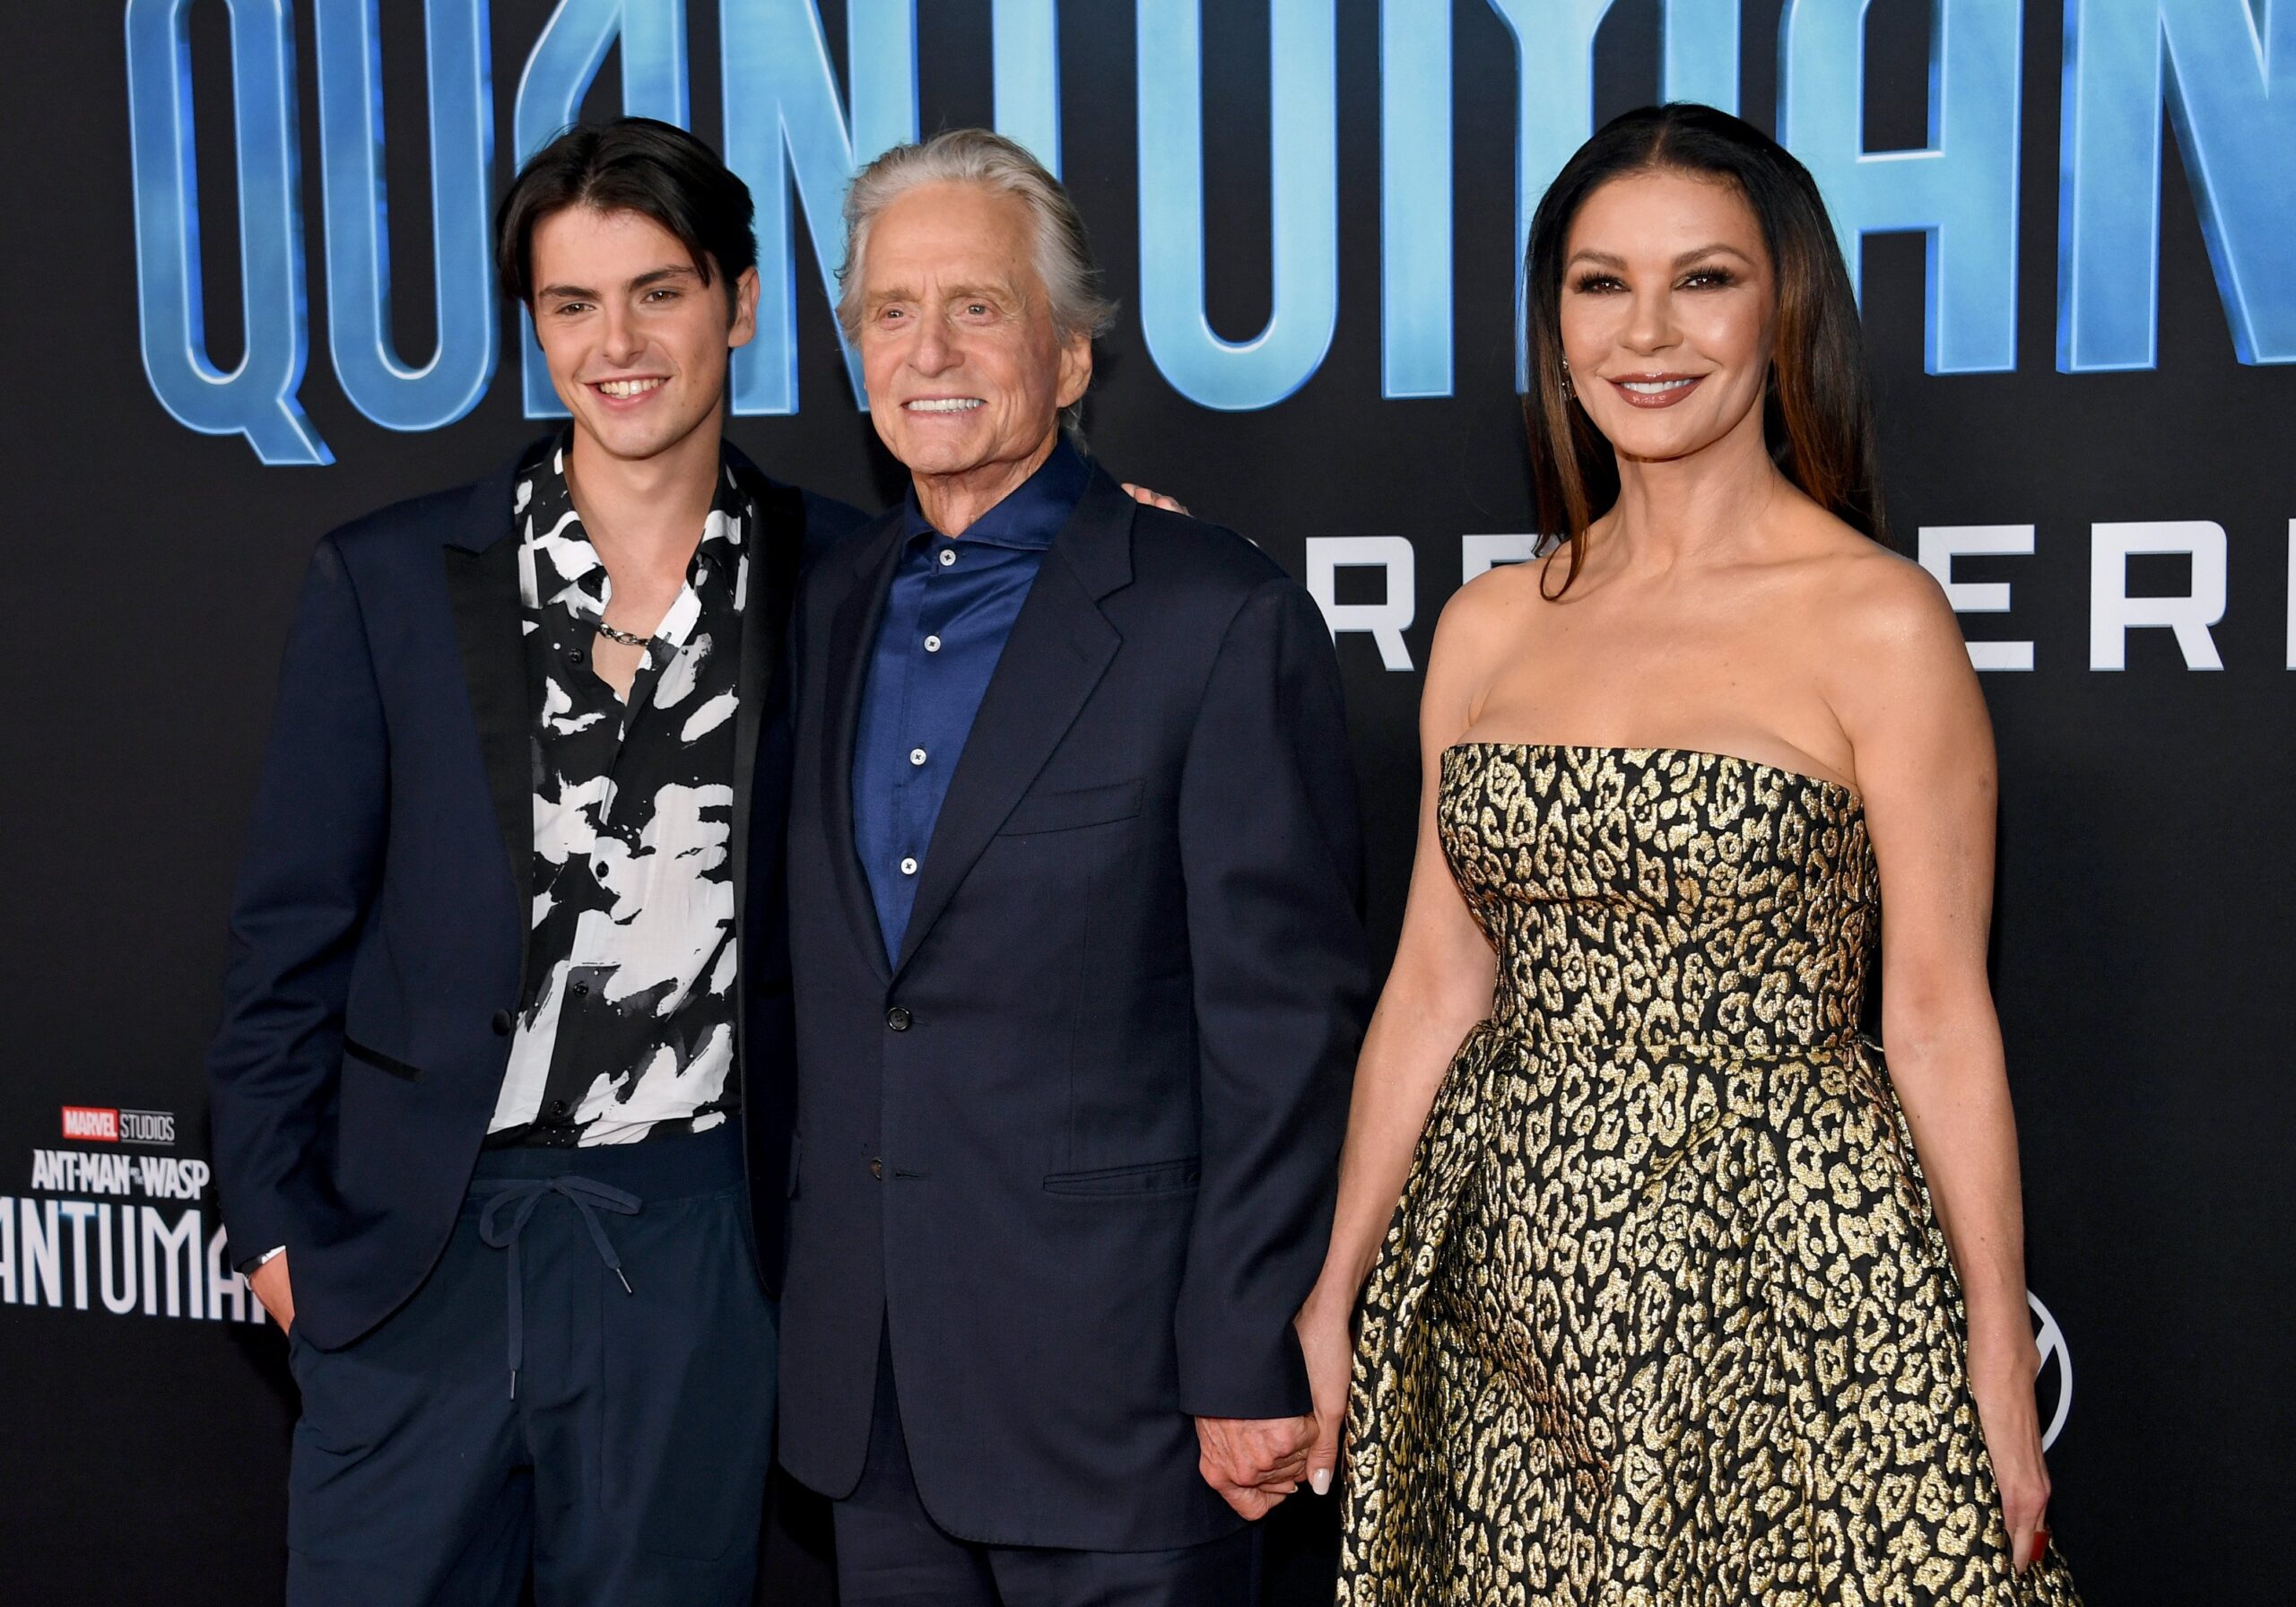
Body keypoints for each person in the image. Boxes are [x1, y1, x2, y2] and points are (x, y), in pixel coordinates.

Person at [1297, 104, 2083, 1603]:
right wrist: (1339, 1286)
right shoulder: (1488, 625)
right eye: (1601, 284)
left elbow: (1931, 1009)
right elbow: (1433, 986)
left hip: (1791, 1262)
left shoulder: (1879, 623)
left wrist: (1992, 1335)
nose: (1646, 332)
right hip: (1508, 1267)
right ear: (1557, 320)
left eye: (1703, 279)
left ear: (1783, 306)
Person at [205, 117, 867, 1604]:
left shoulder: (845, 580)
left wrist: (1106, 542)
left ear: (740, 302)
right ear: (534, 328)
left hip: (696, 1255)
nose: (617, 343)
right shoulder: (386, 580)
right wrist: (279, 1235)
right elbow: (285, 939)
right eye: (574, 304)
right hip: (411, 1257)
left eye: (660, 291)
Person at [773, 127, 1374, 1605]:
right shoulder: (824, 605)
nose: (930, 350)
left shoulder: (1209, 616)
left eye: (977, 306)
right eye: (889, 313)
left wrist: (1249, 1345)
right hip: (877, 1402)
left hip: (1124, 1408)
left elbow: (1282, 1026)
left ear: (1071, 357)